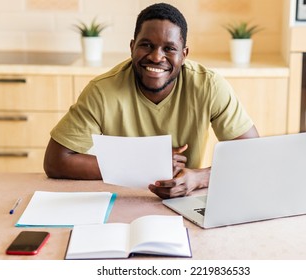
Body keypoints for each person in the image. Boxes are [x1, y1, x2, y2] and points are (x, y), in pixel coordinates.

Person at [44, 3, 259, 199]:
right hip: (121, 198)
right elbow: (55, 161)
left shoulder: (209, 86)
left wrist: (199, 178)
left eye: (169, 48)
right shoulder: (102, 91)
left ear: (184, 55)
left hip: (184, 199)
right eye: (146, 45)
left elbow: (252, 155)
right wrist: (141, 164)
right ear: (132, 47)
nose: (156, 57)